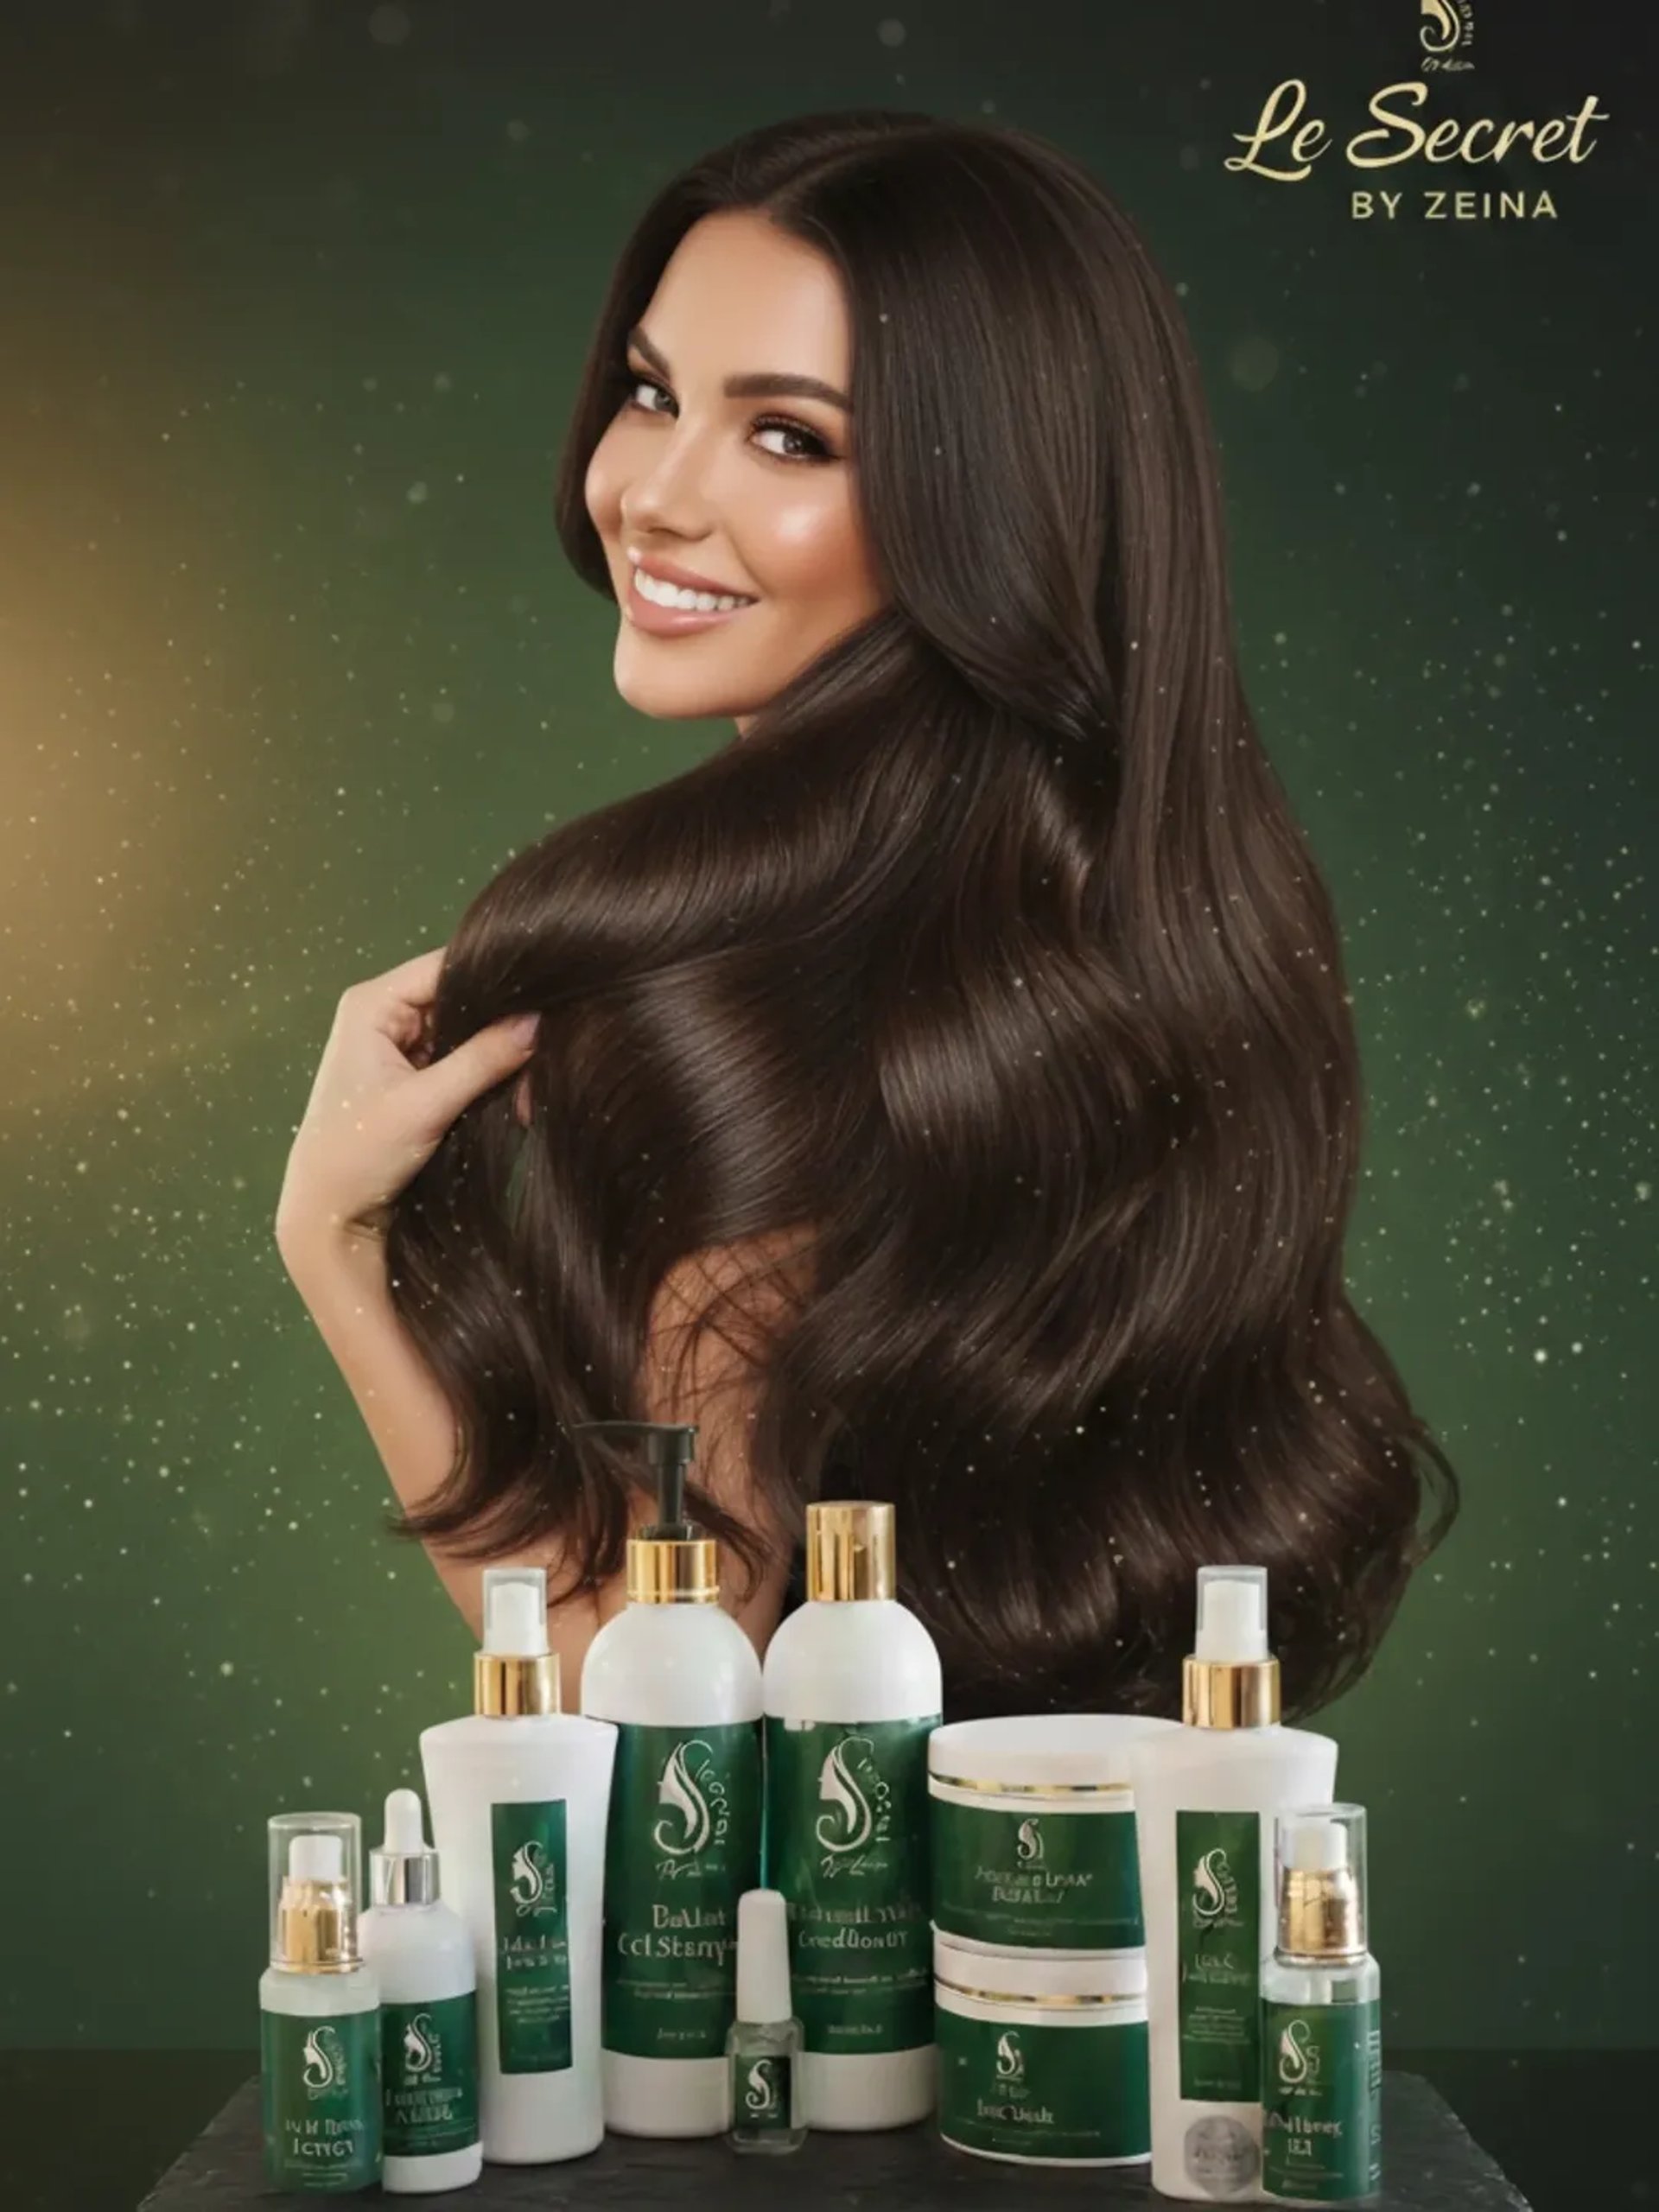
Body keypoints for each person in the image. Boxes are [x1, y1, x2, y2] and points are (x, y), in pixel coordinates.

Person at [276, 110, 1458, 1722]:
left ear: (990, 512)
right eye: (651, 393)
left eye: (792, 440)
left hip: (819, 1958)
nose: (653, 497)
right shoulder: (1151, 927)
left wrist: (335, 1248)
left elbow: (640, 1709)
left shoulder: (759, 1009)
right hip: (1110, 1926)